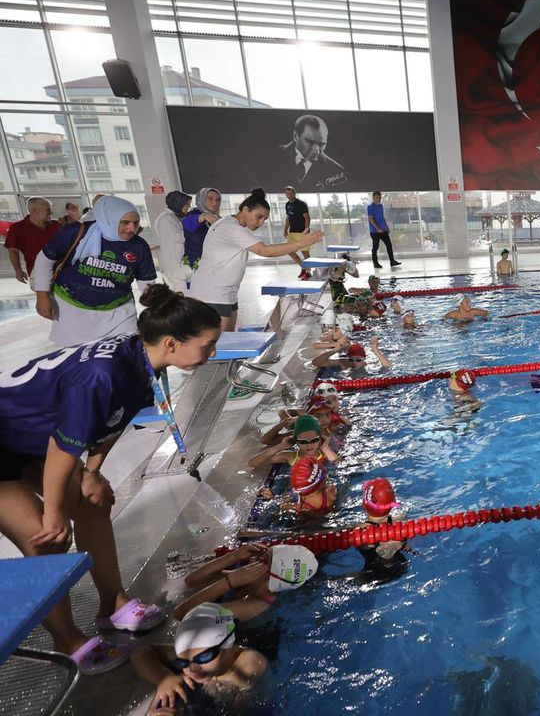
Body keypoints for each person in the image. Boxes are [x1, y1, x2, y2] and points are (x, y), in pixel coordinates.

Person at [0, 285, 221, 672]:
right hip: (13, 441)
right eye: (208, 345)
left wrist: (92, 473)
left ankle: (113, 605)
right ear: (171, 343)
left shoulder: (140, 360)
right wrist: (55, 513)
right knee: (44, 536)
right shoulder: (102, 374)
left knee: (94, 502)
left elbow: (112, 421)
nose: (212, 353)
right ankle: (68, 641)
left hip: (28, 438)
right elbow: (61, 448)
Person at [188, 189, 324, 331]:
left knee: (228, 339)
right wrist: (301, 243)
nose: (260, 223)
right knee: (219, 341)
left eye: (264, 220)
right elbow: (264, 251)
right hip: (212, 293)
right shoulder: (231, 228)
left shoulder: (231, 223)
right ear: (245, 209)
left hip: (226, 292)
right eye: (258, 217)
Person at [31, 195, 158, 346]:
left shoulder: (139, 246)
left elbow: (146, 282)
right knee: (78, 355)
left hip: (118, 313)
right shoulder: (77, 232)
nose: (131, 228)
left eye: (135, 223)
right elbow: (45, 260)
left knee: (127, 351)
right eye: (125, 222)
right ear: (109, 218)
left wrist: (157, 307)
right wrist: (42, 297)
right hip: (71, 310)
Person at [130, 603, 268, 713]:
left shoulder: (250, 662)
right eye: (183, 662)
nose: (192, 669)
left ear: (226, 646)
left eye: (204, 657)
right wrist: (163, 678)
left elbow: (239, 710)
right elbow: (141, 653)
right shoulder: (193, 654)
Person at [172, 543, 317, 623]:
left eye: (262, 559)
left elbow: (182, 615)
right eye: (262, 552)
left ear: (271, 579)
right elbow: (192, 581)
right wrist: (232, 557)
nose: (253, 558)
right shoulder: (249, 582)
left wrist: (228, 583)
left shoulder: (255, 606)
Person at [5, 196, 61, 287]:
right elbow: (13, 251)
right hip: (37, 272)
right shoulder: (18, 228)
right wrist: (18, 270)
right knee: (45, 295)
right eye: (48, 210)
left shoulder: (56, 225)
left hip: (61, 270)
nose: (51, 213)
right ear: (35, 211)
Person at [248, 414, 340, 469]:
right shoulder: (290, 457)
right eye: (303, 442)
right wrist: (279, 447)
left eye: (314, 440)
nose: (309, 445)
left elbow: (340, 464)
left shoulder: (326, 454)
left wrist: (326, 448)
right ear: (295, 440)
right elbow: (252, 463)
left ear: (321, 438)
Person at [280, 114, 346, 190]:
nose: (316, 150)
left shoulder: (336, 171)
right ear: (296, 136)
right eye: (310, 142)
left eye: (321, 144)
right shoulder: (273, 156)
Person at [358, 478, 408, 572]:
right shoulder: (400, 519)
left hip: (375, 570)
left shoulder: (361, 529)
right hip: (401, 564)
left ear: (364, 504)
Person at [153, 191, 192, 286]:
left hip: (178, 267)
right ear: (178, 204)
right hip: (175, 268)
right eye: (187, 205)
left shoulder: (172, 218)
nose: (188, 208)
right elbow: (179, 239)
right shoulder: (166, 220)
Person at [180, 187, 220, 275]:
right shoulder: (193, 214)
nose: (215, 203)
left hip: (213, 263)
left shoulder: (217, 218)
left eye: (218, 200)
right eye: (210, 199)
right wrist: (204, 216)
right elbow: (185, 224)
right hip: (195, 263)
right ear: (202, 199)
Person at [282, 186, 313, 280]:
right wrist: (285, 229)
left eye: (290, 193)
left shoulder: (301, 204)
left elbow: (307, 218)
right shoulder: (287, 204)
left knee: (305, 253)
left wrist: (306, 229)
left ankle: (308, 272)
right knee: (289, 251)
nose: (289, 195)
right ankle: (304, 267)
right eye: (287, 194)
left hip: (302, 232)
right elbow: (288, 217)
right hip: (292, 232)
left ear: (294, 193)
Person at [311, 337, 391, 372]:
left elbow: (388, 366)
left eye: (358, 360)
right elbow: (315, 363)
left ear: (364, 359)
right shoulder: (343, 363)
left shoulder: (369, 364)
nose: (354, 362)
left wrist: (375, 350)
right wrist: (334, 350)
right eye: (350, 359)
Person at [366, 191, 400, 269]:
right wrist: (378, 229)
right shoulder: (370, 207)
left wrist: (386, 227)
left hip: (383, 230)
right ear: (373, 198)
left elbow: (382, 217)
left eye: (380, 198)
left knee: (389, 245)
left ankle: (392, 261)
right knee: (375, 247)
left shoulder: (381, 206)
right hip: (375, 231)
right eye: (377, 198)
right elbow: (371, 219)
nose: (379, 199)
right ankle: (375, 263)